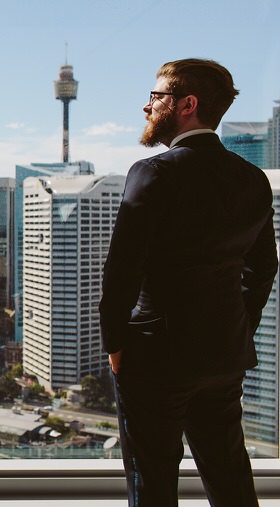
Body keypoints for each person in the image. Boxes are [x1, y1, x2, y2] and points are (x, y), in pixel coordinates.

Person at [99, 58, 278, 506]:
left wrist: (116, 346)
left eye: (156, 96)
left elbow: (121, 270)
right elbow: (263, 270)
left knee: (153, 480)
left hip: (155, 355)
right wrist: (237, 331)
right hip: (224, 354)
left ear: (186, 104)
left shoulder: (153, 172)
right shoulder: (252, 179)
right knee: (230, 474)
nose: (146, 106)